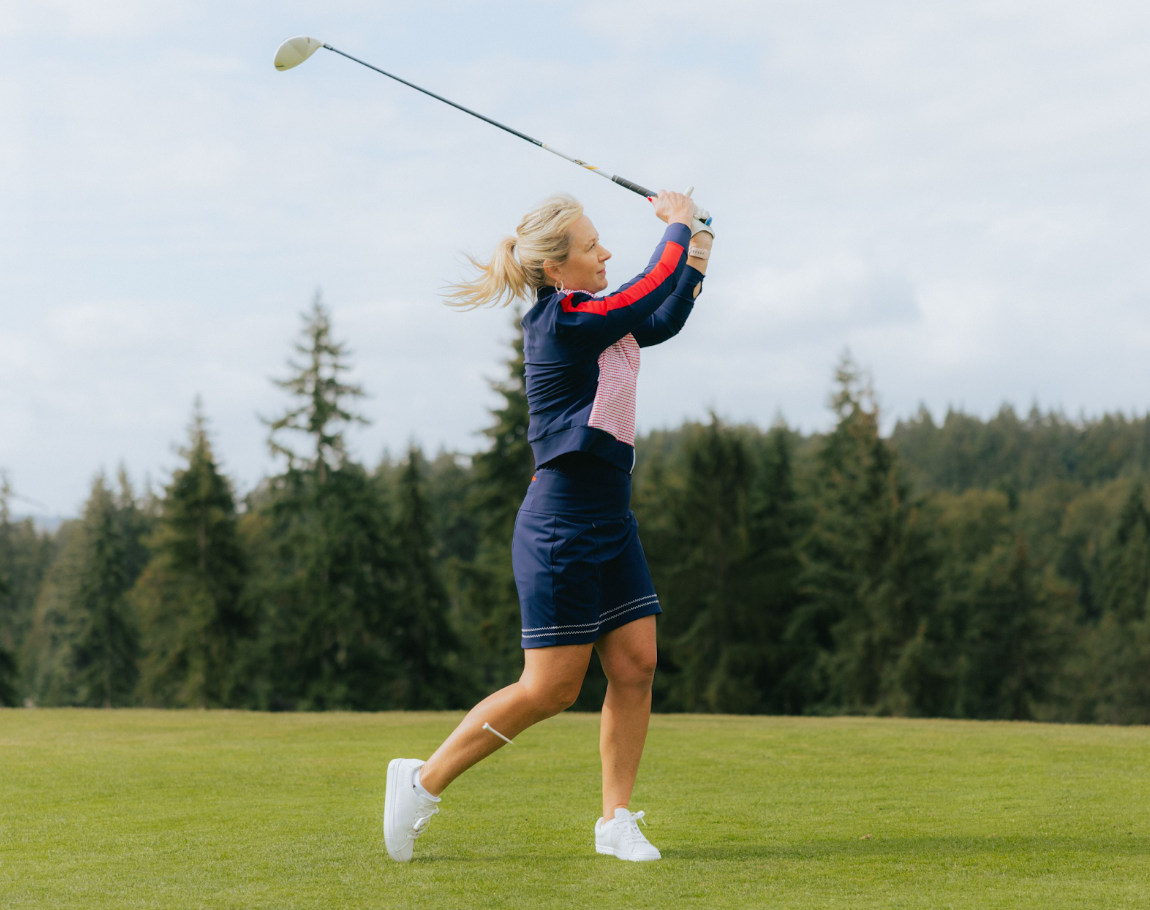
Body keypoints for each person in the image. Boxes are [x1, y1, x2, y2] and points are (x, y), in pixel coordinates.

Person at [383, 189, 714, 863]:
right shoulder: (561, 322)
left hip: (610, 517)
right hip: (561, 523)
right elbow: (647, 285)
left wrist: (700, 243)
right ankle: (421, 781)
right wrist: (676, 225)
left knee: (636, 665)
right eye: (593, 247)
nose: (606, 254)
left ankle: (615, 821)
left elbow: (666, 311)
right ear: (557, 270)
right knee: (551, 688)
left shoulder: (599, 321)